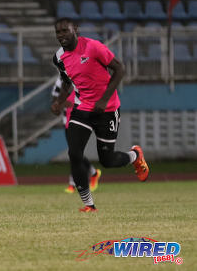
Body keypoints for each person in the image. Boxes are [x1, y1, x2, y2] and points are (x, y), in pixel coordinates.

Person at [51, 17, 149, 212]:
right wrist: (60, 101)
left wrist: (104, 100)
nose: (61, 35)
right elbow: (66, 81)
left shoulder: (93, 47)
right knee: (75, 153)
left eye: (65, 31)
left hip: (108, 109)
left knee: (108, 160)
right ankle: (89, 205)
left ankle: (135, 155)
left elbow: (120, 69)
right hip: (82, 108)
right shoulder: (59, 57)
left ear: (75, 29)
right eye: (58, 32)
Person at [51, 76, 101, 194]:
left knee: (74, 152)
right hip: (66, 120)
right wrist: (59, 104)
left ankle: (73, 183)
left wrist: (66, 103)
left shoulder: (80, 76)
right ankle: (93, 173)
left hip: (79, 119)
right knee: (74, 152)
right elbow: (54, 98)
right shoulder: (61, 80)